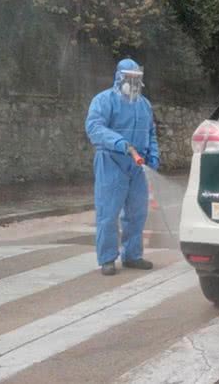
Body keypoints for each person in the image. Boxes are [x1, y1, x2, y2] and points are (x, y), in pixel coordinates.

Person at [85, 58, 160, 276]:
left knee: (137, 213)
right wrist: (119, 143)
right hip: (111, 162)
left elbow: (150, 133)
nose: (133, 83)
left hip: (137, 165)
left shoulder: (144, 105)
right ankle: (107, 258)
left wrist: (153, 156)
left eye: (137, 79)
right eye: (129, 78)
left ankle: (132, 255)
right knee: (108, 213)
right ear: (119, 77)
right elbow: (94, 127)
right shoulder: (104, 100)